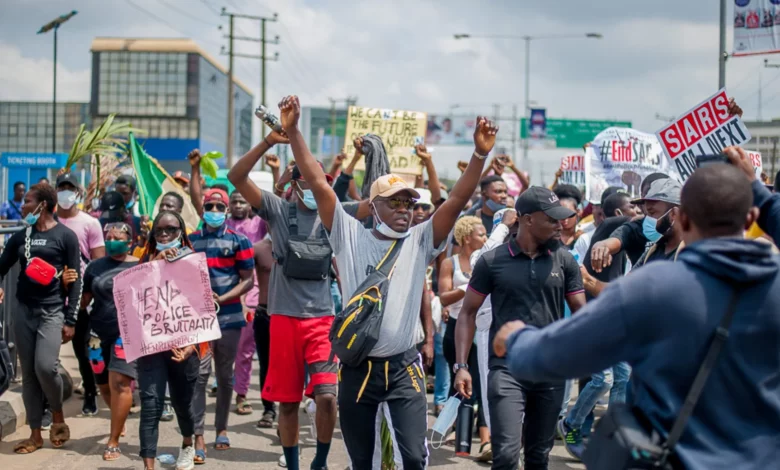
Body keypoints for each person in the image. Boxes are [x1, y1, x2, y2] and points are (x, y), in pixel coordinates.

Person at [497, 163, 780, 470]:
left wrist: (516, 339)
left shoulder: (653, 287)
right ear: (752, 218)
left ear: (682, 217)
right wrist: (763, 198)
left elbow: (554, 357)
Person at [274, 94, 499, 469]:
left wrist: (479, 156)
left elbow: (457, 199)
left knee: (413, 456)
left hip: (404, 369)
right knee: (362, 461)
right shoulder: (347, 234)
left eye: (409, 204)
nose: (405, 210)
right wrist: (294, 130)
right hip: (358, 369)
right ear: (371, 205)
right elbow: (316, 180)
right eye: (394, 203)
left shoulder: (422, 239)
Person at [228, 120, 338, 470]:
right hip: (283, 320)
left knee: (327, 397)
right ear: (292, 182)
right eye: (304, 176)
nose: (313, 184)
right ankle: (293, 465)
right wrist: (268, 142)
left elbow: (374, 207)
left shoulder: (334, 213)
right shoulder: (276, 209)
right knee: (288, 404)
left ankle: (319, 460)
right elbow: (236, 176)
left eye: (318, 177)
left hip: (322, 319)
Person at [456, 186, 586, 470]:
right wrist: (461, 366)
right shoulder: (492, 261)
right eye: (551, 218)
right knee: (505, 455)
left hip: (550, 370)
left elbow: (582, 312)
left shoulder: (563, 260)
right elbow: (467, 312)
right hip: (506, 370)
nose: (559, 224)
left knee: (538, 456)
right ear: (527, 219)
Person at [556, 192, 638, 459]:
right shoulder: (611, 227)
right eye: (633, 209)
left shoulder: (626, 239)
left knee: (623, 377)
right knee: (603, 380)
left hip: (614, 320)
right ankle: (572, 423)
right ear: (619, 214)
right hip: (593, 320)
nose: (638, 213)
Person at [0, 183, 81, 454]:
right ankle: (35, 434)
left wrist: (70, 319)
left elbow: (76, 280)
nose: (22, 205)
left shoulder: (66, 236)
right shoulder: (21, 236)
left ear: (42, 205)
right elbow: (2, 266)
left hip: (52, 312)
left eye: (28, 201)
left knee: (46, 367)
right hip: (23, 311)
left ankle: (57, 414)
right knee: (31, 376)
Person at [187, 187, 255, 461]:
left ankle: (222, 429)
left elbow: (248, 279)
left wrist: (224, 298)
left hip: (229, 318)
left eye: (219, 206)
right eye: (210, 206)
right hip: (198, 320)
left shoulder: (239, 241)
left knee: (225, 377)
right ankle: (199, 435)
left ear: (226, 210)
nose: (214, 211)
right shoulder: (190, 241)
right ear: (202, 209)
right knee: (199, 377)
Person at [136, 210, 201, 470]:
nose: (164, 234)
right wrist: (155, 265)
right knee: (151, 403)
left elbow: (203, 308)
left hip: (182, 347)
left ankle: (187, 443)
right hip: (151, 346)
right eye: (159, 230)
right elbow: (129, 296)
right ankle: (149, 466)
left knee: (182, 403)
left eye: (171, 230)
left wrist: (192, 345)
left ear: (181, 233)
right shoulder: (142, 262)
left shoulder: (194, 261)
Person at [79, 222, 138, 461]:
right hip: (96, 333)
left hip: (127, 333)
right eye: (109, 236)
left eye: (118, 236)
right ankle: (117, 416)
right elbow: (83, 300)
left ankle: (113, 440)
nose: (113, 240)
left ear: (130, 241)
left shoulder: (140, 266)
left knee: (121, 382)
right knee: (102, 381)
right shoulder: (95, 267)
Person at [438, 215, 492, 461]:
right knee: (458, 383)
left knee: (482, 384)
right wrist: (469, 287)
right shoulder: (451, 263)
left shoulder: (488, 260)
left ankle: (485, 440)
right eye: (481, 234)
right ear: (467, 237)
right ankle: (455, 431)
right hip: (457, 330)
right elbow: (443, 297)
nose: (486, 238)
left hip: (481, 330)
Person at [55, 172, 106, 416]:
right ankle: (48, 403)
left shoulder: (90, 224)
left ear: (78, 192)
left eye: (70, 187)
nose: (65, 192)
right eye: (61, 187)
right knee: (47, 352)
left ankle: (90, 393)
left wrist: (88, 294)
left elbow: (98, 264)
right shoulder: (48, 221)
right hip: (52, 296)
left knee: (83, 351)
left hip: (80, 299)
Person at [223, 188, 268, 416]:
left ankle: (241, 395)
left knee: (245, 350)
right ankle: (221, 390)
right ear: (228, 205)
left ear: (250, 206)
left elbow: (272, 209)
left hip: (251, 294)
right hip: (222, 294)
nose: (238, 205)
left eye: (243, 201)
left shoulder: (258, 224)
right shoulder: (221, 226)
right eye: (234, 201)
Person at [251, 237, 277, 430]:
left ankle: (288, 410)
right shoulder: (258, 249)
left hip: (292, 314)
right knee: (266, 363)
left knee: (290, 365)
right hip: (264, 313)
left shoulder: (298, 245)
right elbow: (241, 276)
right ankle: (268, 407)